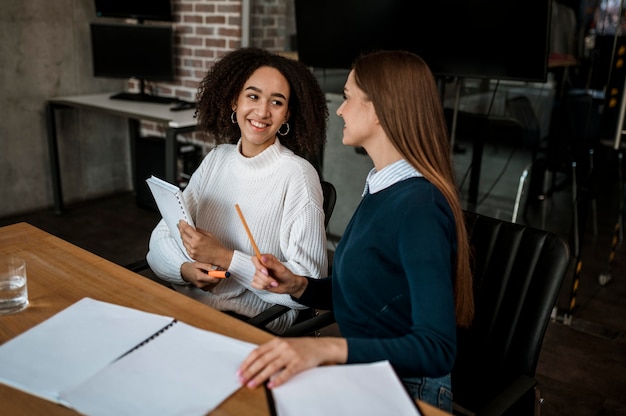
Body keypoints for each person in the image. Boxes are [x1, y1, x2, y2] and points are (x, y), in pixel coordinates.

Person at [236, 50, 474, 412]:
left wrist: (326, 347)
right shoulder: (382, 185)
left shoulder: (419, 208)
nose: (340, 110)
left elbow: (437, 349)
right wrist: (298, 286)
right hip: (369, 374)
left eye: (347, 97)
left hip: (410, 390)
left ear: (378, 109)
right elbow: (368, 294)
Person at [146, 47, 329, 334]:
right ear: (235, 100)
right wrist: (184, 269)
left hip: (249, 322)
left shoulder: (298, 175)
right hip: (184, 304)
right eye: (253, 96)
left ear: (287, 114)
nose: (262, 111)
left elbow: (308, 282)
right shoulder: (217, 158)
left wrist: (226, 258)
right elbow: (158, 241)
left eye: (277, 102)